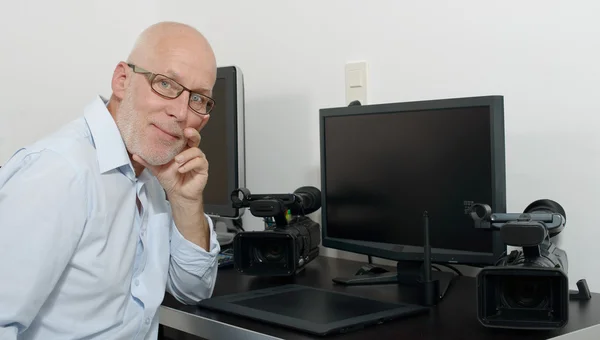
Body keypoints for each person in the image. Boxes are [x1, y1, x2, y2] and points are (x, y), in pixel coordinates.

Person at [0, 21, 221, 340]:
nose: (182, 112)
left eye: (199, 99)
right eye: (167, 84)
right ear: (122, 80)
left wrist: (185, 201)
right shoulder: (61, 172)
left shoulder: (152, 168)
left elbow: (194, 289)